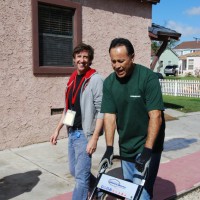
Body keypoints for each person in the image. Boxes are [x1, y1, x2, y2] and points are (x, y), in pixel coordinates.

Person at [100, 38, 165, 199]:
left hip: (148, 144)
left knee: (141, 193)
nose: (117, 65)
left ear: (132, 57)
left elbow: (156, 116)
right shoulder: (109, 83)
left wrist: (148, 150)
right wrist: (109, 148)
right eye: (113, 61)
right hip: (126, 145)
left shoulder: (148, 78)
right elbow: (109, 116)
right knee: (129, 191)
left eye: (121, 61)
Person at [50, 43, 104, 200]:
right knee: (75, 171)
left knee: (80, 179)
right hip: (72, 132)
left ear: (90, 60)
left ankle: (90, 194)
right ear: (74, 59)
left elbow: (102, 110)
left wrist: (94, 138)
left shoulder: (96, 80)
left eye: (86, 57)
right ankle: (98, 191)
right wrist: (57, 129)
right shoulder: (72, 79)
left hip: (84, 134)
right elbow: (69, 109)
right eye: (79, 56)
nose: (82, 60)